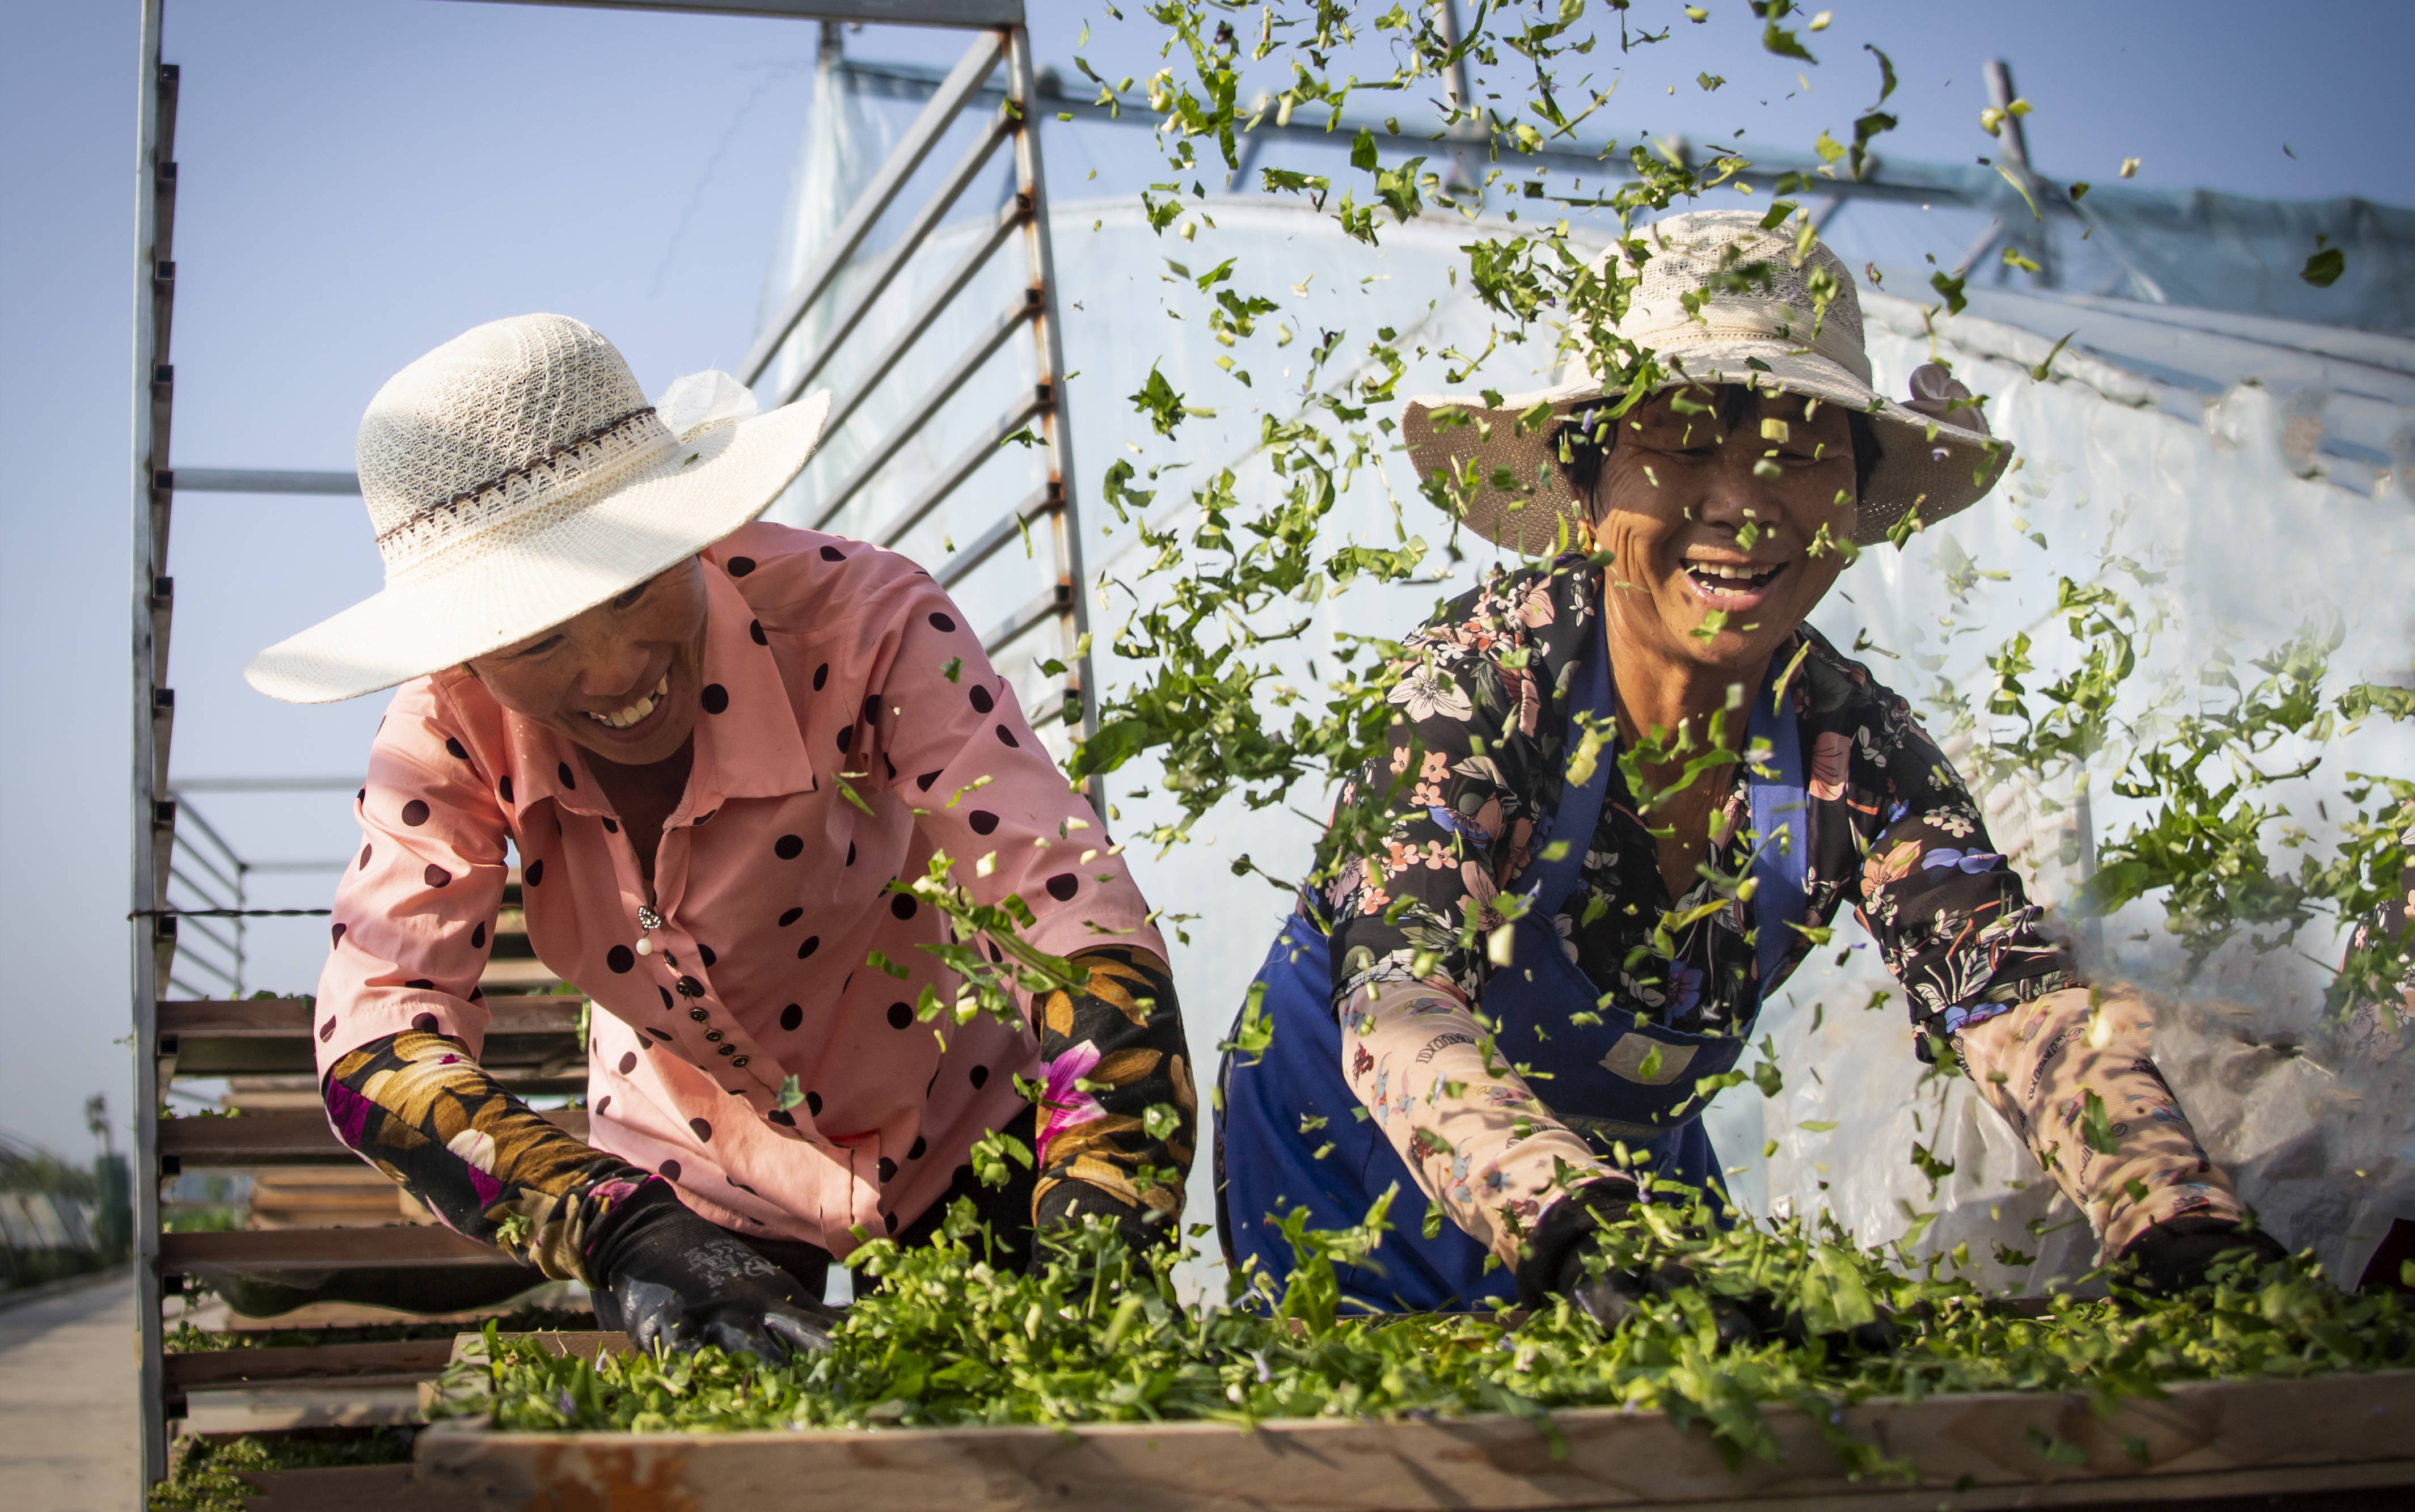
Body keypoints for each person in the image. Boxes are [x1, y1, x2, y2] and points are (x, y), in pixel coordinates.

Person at [1215, 211, 2279, 1318]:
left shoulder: (1846, 743)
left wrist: (2173, 1212)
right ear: (1586, 491)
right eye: (1680, 441)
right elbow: (1398, 997)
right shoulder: (1483, 685)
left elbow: (2009, 994)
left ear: (1849, 505)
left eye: (1801, 449)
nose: (1742, 502)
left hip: (1625, 1169)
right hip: (1356, 1158)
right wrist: (1580, 1227)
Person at [246, 314, 1194, 1357]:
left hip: (966, 1117)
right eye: (543, 638)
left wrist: (1106, 1185)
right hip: (690, 1176)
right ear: (467, 650)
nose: (614, 670)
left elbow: (1064, 914)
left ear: (690, 532)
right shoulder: (445, 732)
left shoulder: (863, 618)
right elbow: (377, 1041)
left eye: (641, 582)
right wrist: (615, 1225)